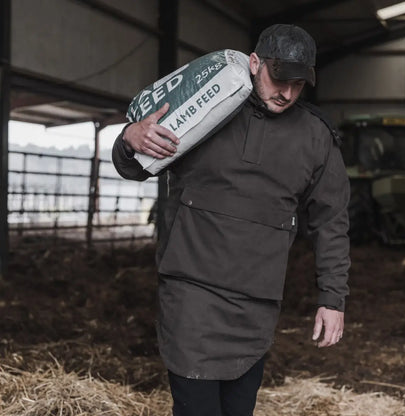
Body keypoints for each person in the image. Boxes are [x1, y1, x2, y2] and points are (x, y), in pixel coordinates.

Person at [112, 24, 350, 416]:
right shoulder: (206, 108)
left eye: (298, 84)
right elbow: (135, 167)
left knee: (239, 409)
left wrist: (332, 298)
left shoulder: (316, 136)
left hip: (255, 301)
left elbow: (332, 222)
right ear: (254, 63)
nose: (287, 93)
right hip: (192, 291)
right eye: (279, 79)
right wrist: (128, 138)